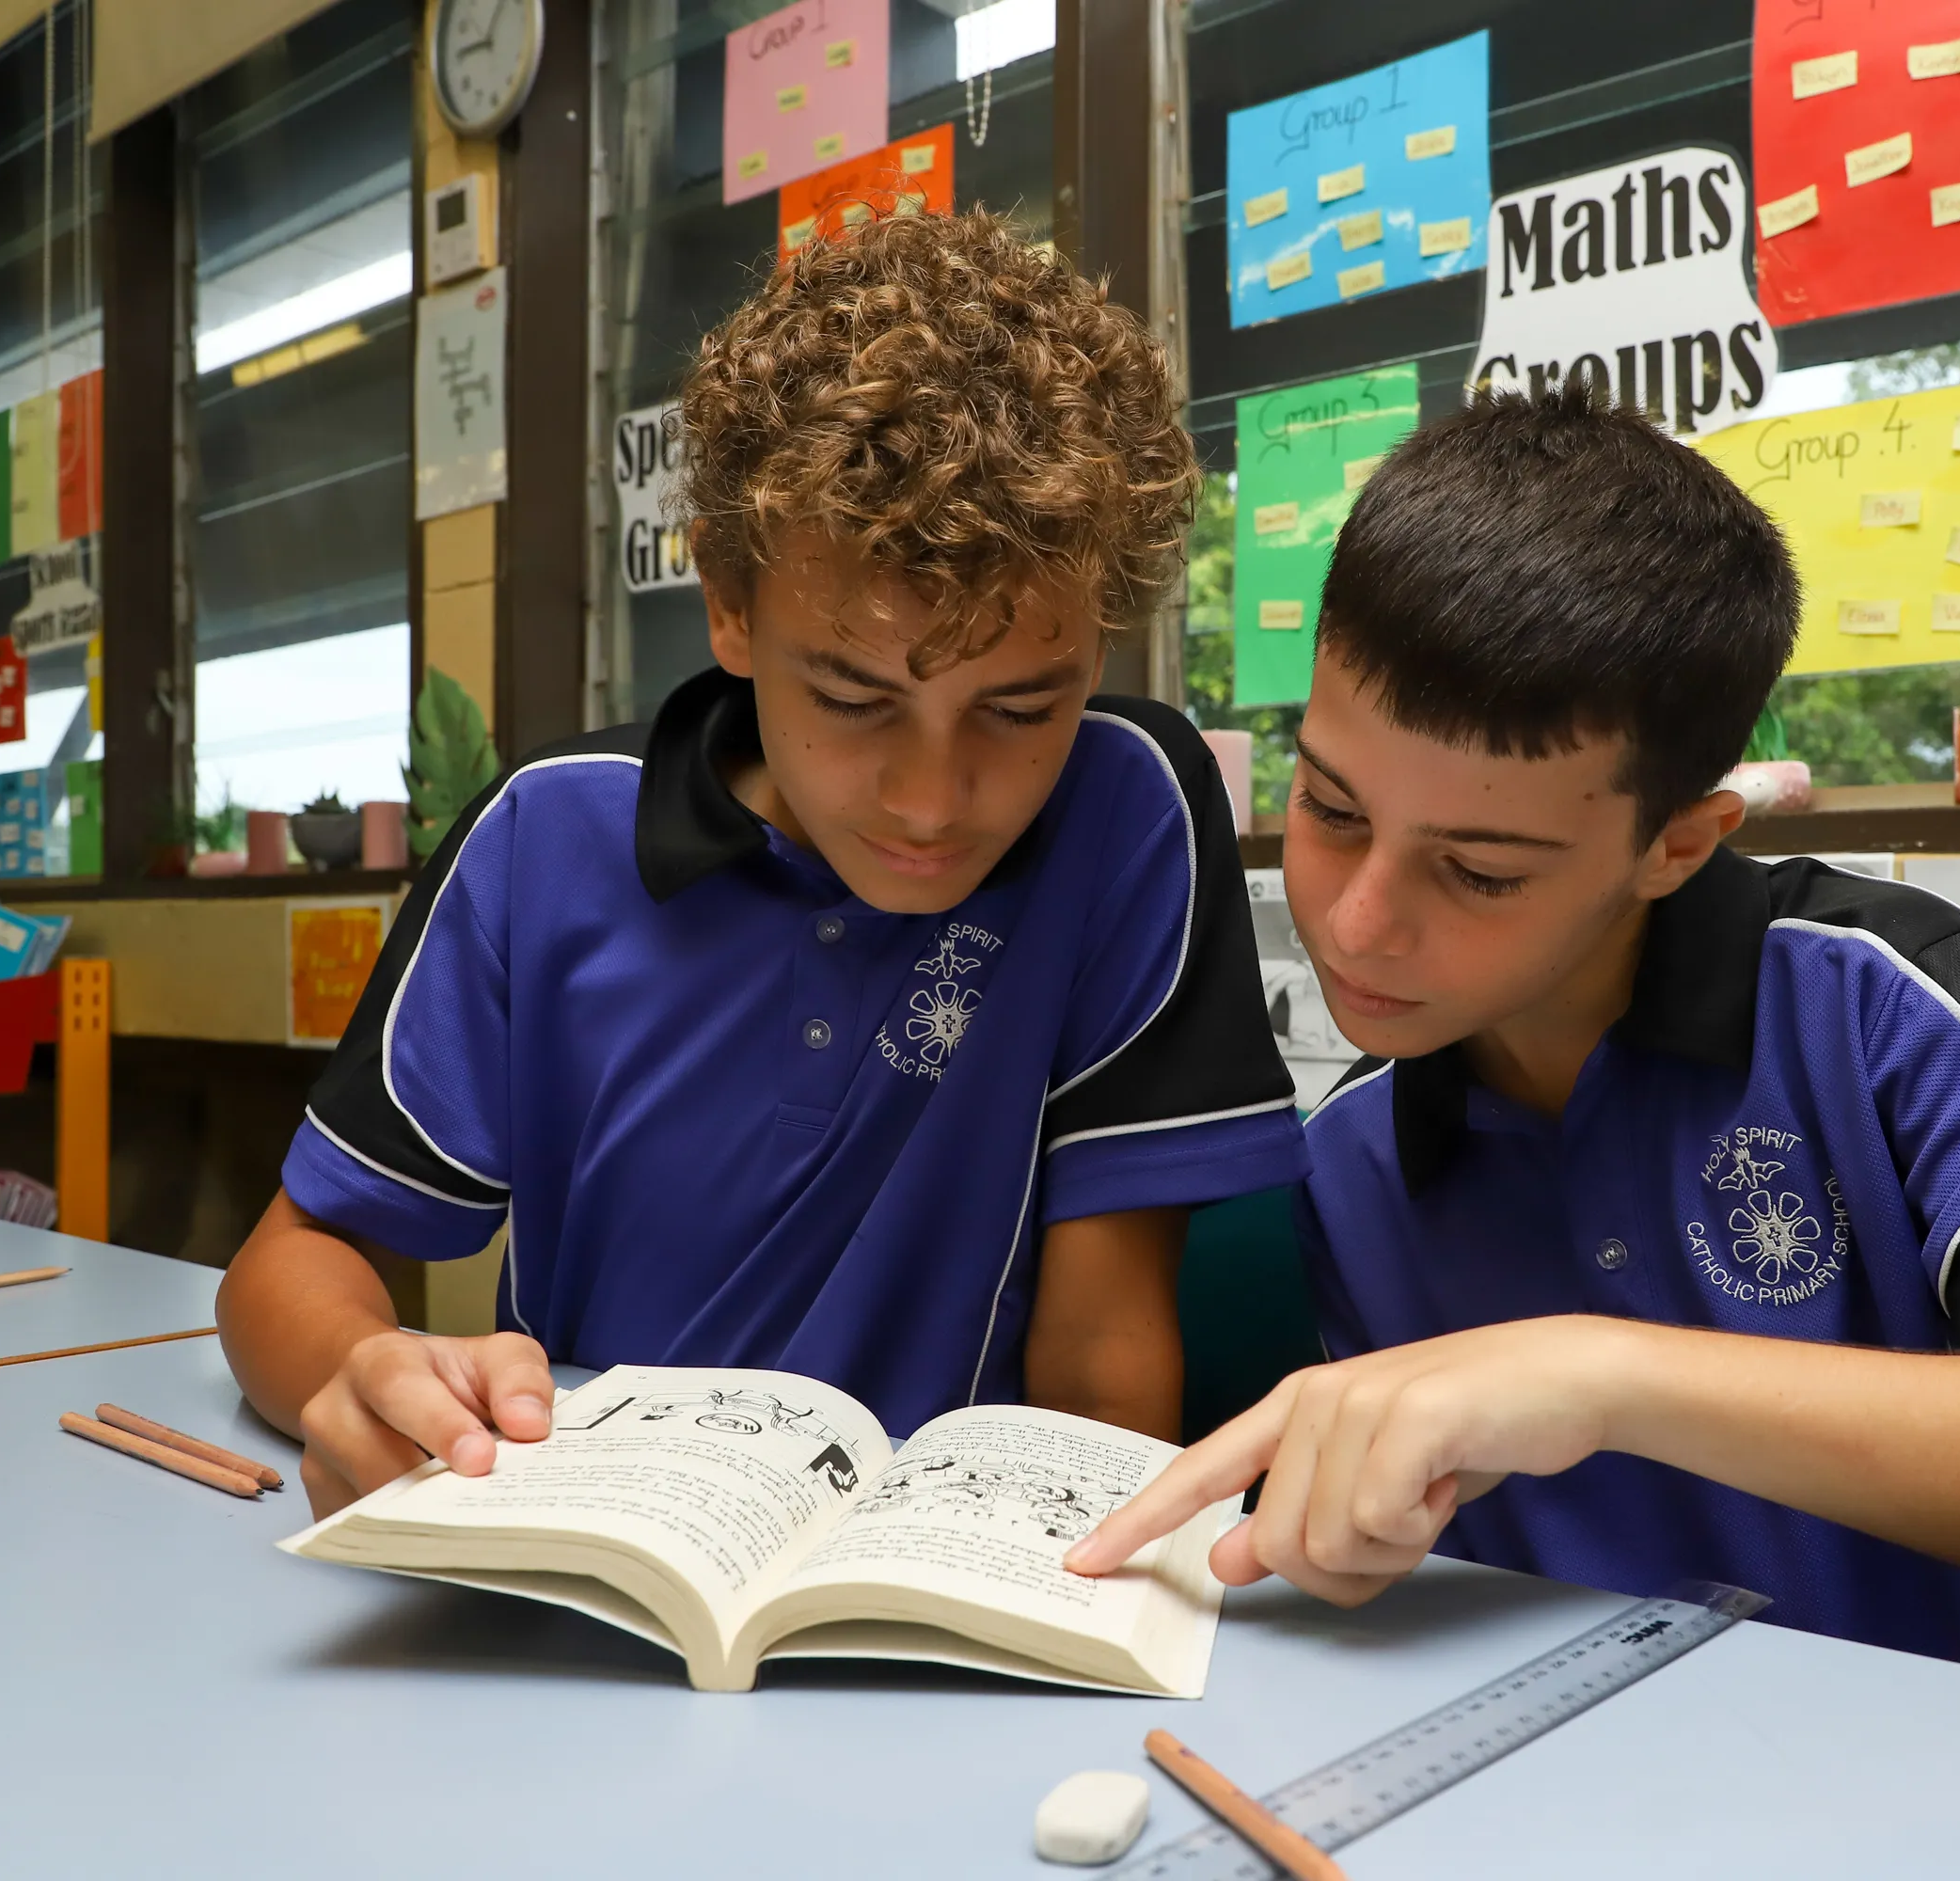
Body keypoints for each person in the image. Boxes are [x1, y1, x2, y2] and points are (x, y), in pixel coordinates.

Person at [1069, 387, 1960, 1719]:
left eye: (1482, 873)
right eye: (1329, 808)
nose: (1359, 921)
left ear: (1681, 841)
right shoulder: (1357, 1154)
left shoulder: (1879, 1008)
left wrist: (1604, 1374)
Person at [220, 211, 1306, 1515]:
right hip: (592, 1564)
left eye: (1022, 709)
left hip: (932, 1576)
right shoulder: (546, 841)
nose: (931, 800)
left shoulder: (1128, 810)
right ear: (729, 606)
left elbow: (1104, 1344)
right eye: (853, 700)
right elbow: (297, 1259)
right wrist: (365, 1368)